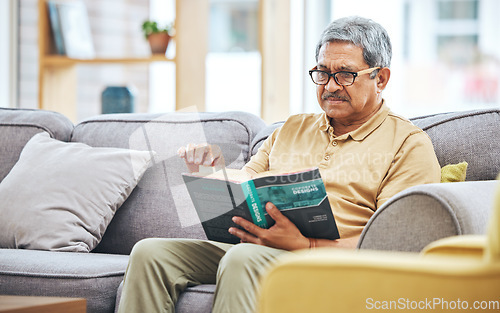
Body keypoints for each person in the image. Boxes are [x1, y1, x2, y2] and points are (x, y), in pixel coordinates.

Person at [117, 16, 441, 313]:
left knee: (244, 258)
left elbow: (397, 243)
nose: (329, 86)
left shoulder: (408, 143)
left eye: (344, 75)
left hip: (333, 260)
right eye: (323, 73)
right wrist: (210, 173)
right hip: (258, 243)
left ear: (380, 78)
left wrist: (308, 245)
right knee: (149, 253)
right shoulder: (292, 128)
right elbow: (247, 184)